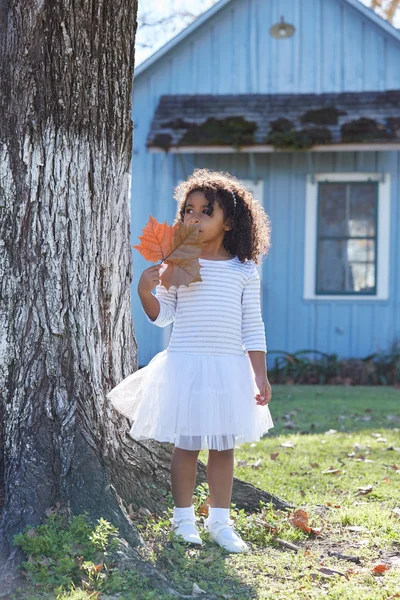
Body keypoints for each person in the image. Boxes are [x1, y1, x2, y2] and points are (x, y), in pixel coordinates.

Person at [107, 168, 274, 553]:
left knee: (223, 447)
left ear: (228, 222)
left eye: (206, 211)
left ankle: (220, 522)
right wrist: (146, 289)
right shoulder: (179, 263)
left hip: (229, 367)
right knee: (187, 445)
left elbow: (253, 326)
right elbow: (163, 314)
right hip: (185, 364)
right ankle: (183, 520)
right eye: (189, 210)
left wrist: (259, 375)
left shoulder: (243, 270)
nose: (194, 218)